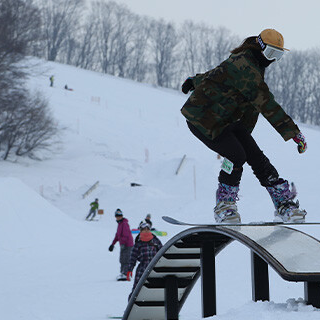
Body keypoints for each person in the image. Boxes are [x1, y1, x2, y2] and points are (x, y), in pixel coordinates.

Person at [180, 28, 307, 224]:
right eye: (271, 53)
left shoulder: (250, 63)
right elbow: (266, 102)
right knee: (236, 155)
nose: (272, 59)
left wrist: (194, 80)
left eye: (278, 55)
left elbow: (217, 74)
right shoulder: (245, 65)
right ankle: (224, 205)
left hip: (227, 119)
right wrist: (293, 132)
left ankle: (283, 203)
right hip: (204, 119)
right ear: (260, 47)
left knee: (257, 157)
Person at [129, 222, 163, 287]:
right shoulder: (138, 244)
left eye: (148, 229)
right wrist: (130, 269)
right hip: (142, 271)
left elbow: (162, 253)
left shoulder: (155, 241)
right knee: (138, 288)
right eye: (144, 229)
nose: (146, 231)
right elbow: (133, 257)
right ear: (141, 231)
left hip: (155, 270)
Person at [108, 209, 134, 281]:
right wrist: (112, 244)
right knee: (122, 259)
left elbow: (125, 235)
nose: (118, 217)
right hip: (123, 244)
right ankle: (123, 273)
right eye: (117, 216)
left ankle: (126, 274)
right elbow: (117, 235)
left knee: (126, 259)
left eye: (119, 216)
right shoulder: (120, 224)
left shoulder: (124, 223)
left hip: (128, 245)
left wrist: (123, 244)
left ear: (122, 216)